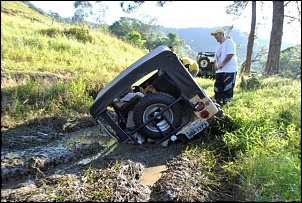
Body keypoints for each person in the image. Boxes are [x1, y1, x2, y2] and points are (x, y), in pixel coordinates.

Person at [211, 29, 238, 105]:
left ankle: (227, 104)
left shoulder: (229, 42)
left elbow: (230, 54)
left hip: (229, 70)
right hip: (219, 71)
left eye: (216, 34)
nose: (215, 37)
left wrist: (222, 64)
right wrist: (216, 65)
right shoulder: (218, 47)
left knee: (227, 89)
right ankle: (217, 104)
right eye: (214, 35)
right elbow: (215, 59)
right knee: (217, 89)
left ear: (222, 34)